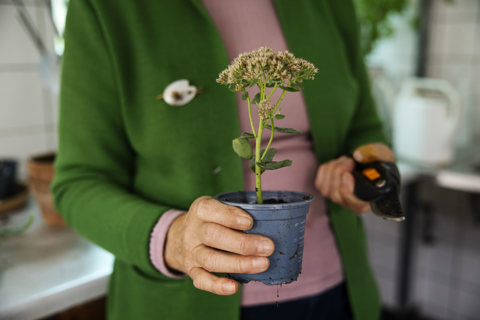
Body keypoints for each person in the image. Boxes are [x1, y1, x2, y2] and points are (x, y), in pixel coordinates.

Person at [52, 0, 396, 319]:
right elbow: (79, 183)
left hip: (337, 292)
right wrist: (173, 238)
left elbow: (364, 128)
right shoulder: (105, 8)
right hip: (184, 302)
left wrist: (366, 168)